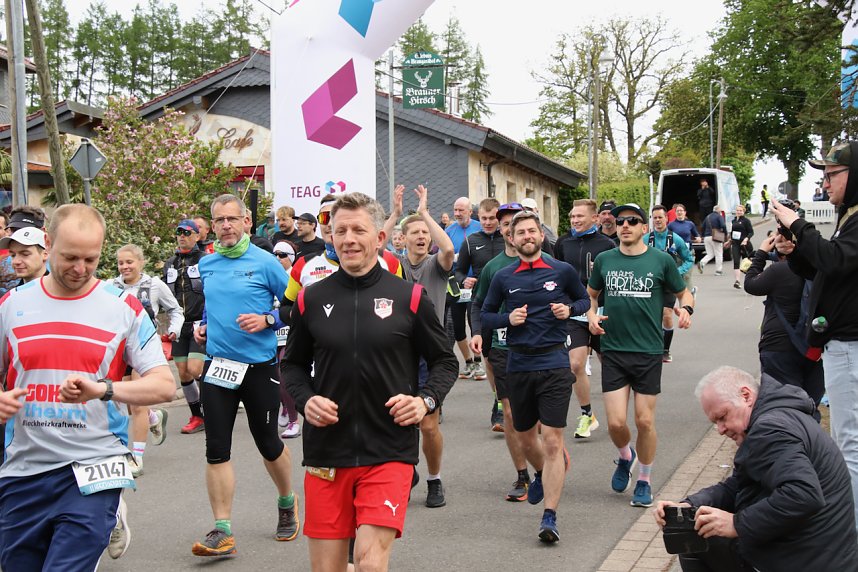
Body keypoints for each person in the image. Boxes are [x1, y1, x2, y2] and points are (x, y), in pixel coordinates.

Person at [283, 192, 458, 572]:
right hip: (327, 454)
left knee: (368, 562)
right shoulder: (310, 300)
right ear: (330, 237)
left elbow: (445, 361)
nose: (348, 238)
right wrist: (306, 400)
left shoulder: (409, 296)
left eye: (358, 229)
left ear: (379, 237)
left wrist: (425, 400)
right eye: (340, 230)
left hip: (388, 450)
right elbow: (292, 367)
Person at [0, 203, 176, 570]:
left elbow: (162, 385)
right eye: (70, 257)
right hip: (23, 471)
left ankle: (110, 515)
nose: (80, 269)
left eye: (90, 259)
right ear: (48, 244)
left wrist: (104, 390)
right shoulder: (11, 305)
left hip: (93, 469)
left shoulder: (123, 307)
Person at [654, 367, 858, 572]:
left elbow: (804, 495)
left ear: (746, 396)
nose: (720, 429)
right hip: (820, 553)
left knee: (694, 541)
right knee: (697, 529)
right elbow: (739, 485)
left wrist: (737, 523)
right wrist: (688, 506)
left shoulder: (769, 430)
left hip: (805, 558)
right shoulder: (779, 416)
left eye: (723, 416)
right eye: (715, 422)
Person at [191, 194, 298, 556]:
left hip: (259, 367)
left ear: (247, 221)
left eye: (231, 219)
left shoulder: (266, 263)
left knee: (268, 442)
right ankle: (222, 529)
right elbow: (213, 302)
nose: (225, 226)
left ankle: (286, 501)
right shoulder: (208, 264)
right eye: (219, 220)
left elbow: (294, 304)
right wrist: (203, 326)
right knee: (216, 448)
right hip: (218, 367)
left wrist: (268, 319)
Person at [481, 210, 589, 543]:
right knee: (527, 438)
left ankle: (550, 517)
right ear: (511, 239)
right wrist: (507, 319)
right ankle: (541, 472)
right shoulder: (504, 277)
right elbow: (485, 315)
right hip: (519, 365)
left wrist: (569, 310)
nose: (528, 236)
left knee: (554, 440)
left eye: (533, 231)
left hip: (555, 363)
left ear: (541, 236)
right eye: (521, 232)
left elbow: (584, 299)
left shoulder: (562, 271)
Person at [770, 140, 858, 531]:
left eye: (832, 174)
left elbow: (835, 261)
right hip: (843, 344)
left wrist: (798, 225)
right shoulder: (849, 216)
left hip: (851, 345)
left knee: (850, 442)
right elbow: (825, 270)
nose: (825, 183)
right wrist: (797, 251)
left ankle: (848, 533)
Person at [587, 203, 693, 509]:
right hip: (614, 351)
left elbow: (683, 293)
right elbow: (590, 296)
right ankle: (625, 456)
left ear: (645, 228)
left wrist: (685, 309)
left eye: (633, 221)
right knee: (616, 424)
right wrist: (591, 317)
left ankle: (644, 480)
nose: (625, 225)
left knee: (644, 421)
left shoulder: (661, 261)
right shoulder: (605, 260)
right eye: (620, 221)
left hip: (648, 351)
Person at [385, 184, 456, 508]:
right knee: (397, 418)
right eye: (413, 232)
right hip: (396, 351)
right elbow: (373, 246)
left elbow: (450, 250)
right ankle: (405, 468)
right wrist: (397, 214)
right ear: (403, 237)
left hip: (430, 351)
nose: (421, 236)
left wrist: (425, 213)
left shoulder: (435, 267)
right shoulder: (394, 266)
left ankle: (434, 478)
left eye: (424, 232)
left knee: (428, 424)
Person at [470, 202, 536, 501]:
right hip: (502, 347)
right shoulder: (494, 268)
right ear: (503, 230)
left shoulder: (548, 261)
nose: (511, 229)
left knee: (535, 417)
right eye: (506, 224)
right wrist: (476, 334)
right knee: (509, 413)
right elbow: (478, 304)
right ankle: (522, 476)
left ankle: (544, 463)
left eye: (517, 223)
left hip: (540, 350)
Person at [112, 244, 183, 476]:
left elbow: (175, 310)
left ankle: (137, 458)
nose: (125, 267)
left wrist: (174, 330)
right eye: (121, 263)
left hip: (144, 348)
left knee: (137, 402)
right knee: (123, 402)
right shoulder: (109, 287)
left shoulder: (154, 285)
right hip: (120, 350)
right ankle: (155, 417)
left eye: (129, 262)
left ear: (141, 263)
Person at [553, 198, 616, 438]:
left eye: (580, 216)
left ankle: (615, 410)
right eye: (572, 217)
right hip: (574, 310)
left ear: (595, 219)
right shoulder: (563, 243)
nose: (575, 220)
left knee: (609, 363)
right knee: (576, 364)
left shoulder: (607, 244)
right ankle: (587, 415)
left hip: (602, 312)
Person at [743, 234, 824, 414]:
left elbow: (750, 284)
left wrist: (762, 252)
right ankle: (810, 436)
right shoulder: (820, 270)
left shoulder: (779, 270)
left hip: (778, 347)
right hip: (812, 346)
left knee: (783, 406)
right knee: (809, 404)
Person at [455, 198, 505, 418]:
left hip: (509, 304)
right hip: (481, 303)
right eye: (483, 218)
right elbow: (457, 271)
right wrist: (464, 279)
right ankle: (499, 400)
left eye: (492, 218)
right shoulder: (471, 241)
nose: (487, 222)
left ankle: (515, 398)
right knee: (490, 357)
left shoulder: (509, 239)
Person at [163, 219, 208, 435]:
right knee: (183, 373)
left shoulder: (206, 260)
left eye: (187, 232)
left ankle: (214, 407)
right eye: (179, 232)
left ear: (197, 236)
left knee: (195, 368)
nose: (182, 236)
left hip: (200, 322)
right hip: (180, 324)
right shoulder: (170, 263)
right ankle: (197, 416)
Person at [645, 205, 694, 363]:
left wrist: (677, 272)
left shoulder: (675, 239)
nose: (658, 220)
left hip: (667, 285)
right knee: (651, 317)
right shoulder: (646, 239)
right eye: (655, 218)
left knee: (667, 315)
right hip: (649, 283)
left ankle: (665, 350)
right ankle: (651, 348)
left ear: (667, 218)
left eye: (661, 217)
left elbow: (689, 259)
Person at [444, 197, 482, 379]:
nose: (457, 214)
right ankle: (468, 363)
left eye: (461, 210)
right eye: (455, 210)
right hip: (456, 283)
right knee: (458, 325)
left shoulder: (479, 227)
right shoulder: (449, 230)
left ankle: (479, 362)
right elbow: (442, 255)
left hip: (477, 282)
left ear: (470, 211)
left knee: (475, 322)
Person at [728, 205, 754, 289]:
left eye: (740, 210)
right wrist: (729, 241)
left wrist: (746, 239)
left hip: (744, 245)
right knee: (736, 261)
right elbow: (733, 233)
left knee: (746, 264)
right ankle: (737, 281)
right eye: (737, 210)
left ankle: (752, 280)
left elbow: (751, 232)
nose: (739, 212)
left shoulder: (746, 221)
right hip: (735, 244)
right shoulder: (733, 221)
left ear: (743, 212)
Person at [698, 207, 727, 276]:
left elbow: (702, 227)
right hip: (716, 236)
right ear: (719, 210)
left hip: (706, 237)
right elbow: (723, 225)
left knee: (710, 254)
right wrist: (725, 233)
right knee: (719, 254)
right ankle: (718, 270)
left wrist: (702, 235)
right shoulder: (719, 216)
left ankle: (702, 262)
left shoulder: (707, 217)